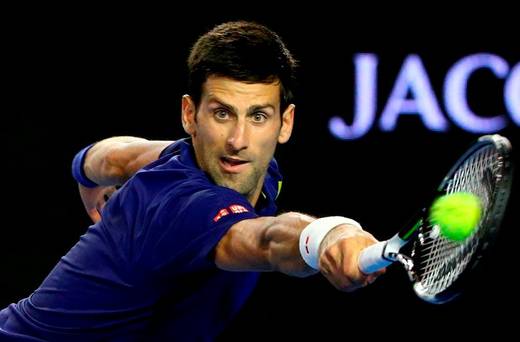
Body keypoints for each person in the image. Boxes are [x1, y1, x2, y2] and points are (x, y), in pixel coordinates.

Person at [0, 21, 383, 341]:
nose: (238, 140)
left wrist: (84, 170)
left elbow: (117, 156)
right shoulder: (180, 207)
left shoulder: (199, 160)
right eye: (221, 114)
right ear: (190, 114)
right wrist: (328, 234)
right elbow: (266, 241)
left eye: (258, 116)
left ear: (286, 123)